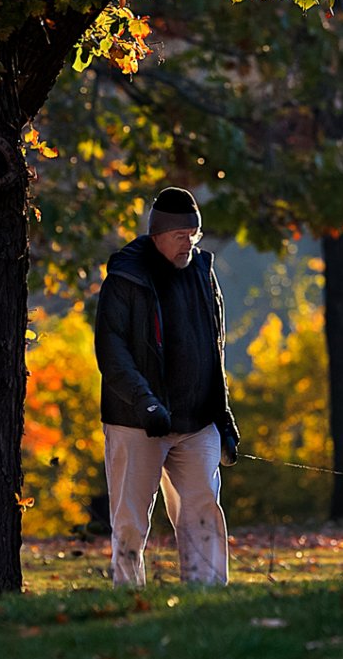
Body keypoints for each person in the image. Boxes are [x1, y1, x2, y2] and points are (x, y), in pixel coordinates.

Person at [94, 186, 240, 587]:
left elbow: (214, 347)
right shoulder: (125, 277)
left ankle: (206, 594)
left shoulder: (202, 272)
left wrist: (223, 417)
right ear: (157, 234)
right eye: (180, 235)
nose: (189, 243)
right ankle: (128, 594)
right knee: (129, 520)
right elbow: (111, 353)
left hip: (197, 422)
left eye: (194, 234)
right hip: (135, 422)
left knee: (203, 508)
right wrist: (146, 404)